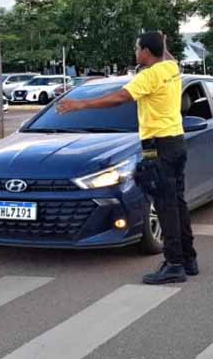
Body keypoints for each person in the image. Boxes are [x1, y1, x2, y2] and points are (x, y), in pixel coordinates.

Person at [57, 31, 194, 285]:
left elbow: (121, 97)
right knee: (177, 202)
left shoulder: (150, 75)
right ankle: (188, 258)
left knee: (165, 206)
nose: (135, 52)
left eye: (137, 47)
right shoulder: (170, 68)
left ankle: (174, 264)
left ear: (145, 52)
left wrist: (81, 105)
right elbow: (166, 55)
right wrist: (162, 43)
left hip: (159, 146)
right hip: (175, 142)